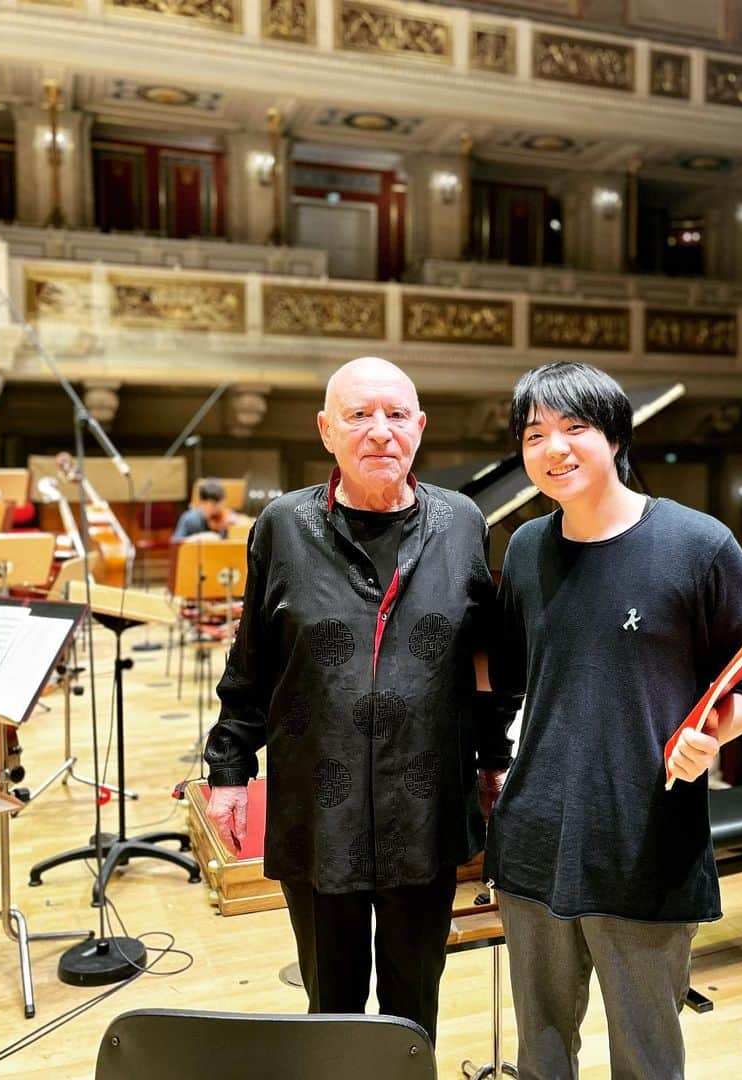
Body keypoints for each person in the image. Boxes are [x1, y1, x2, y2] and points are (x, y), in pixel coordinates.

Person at [202, 356, 514, 1044]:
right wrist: (228, 770)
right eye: (359, 415)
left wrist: (495, 760)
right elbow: (252, 658)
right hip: (317, 807)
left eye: (397, 415)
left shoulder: (463, 522)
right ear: (325, 430)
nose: (380, 432)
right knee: (330, 1003)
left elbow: (482, 661)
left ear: (421, 428)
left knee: (414, 1005)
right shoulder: (282, 526)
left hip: (426, 805)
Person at [486, 362, 742, 1080]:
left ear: (616, 437)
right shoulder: (526, 549)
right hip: (534, 836)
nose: (552, 448)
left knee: (648, 1060)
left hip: (642, 838)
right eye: (534, 434)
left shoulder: (698, 544)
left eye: (573, 428)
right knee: (541, 1054)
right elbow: (507, 678)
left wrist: (713, 732)